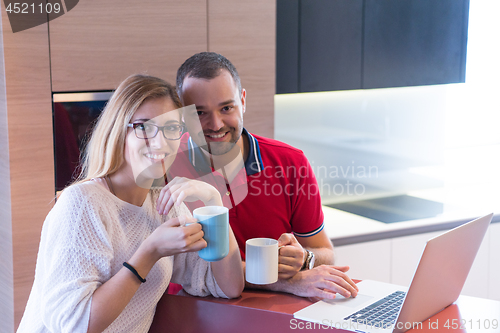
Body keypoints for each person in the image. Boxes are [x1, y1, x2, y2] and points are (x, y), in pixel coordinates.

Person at [17, 74, 244, 333]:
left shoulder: (164, 203)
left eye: (171, 128)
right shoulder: (83, 204)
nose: (160, 142)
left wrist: (215, 204)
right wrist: (149, 252)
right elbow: (75, 324)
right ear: (118, 131)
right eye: (144, 127)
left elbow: (226, 286)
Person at [170, 52, 358, 300]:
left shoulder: (291, 162)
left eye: (226, 108)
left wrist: (304, 258)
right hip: (189, 315)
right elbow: (178, 269)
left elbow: (324, 251)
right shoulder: (163, 169)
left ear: (243, 101)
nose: (216, 124)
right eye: (200, 113)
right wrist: (282, 280)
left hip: (274, 315)